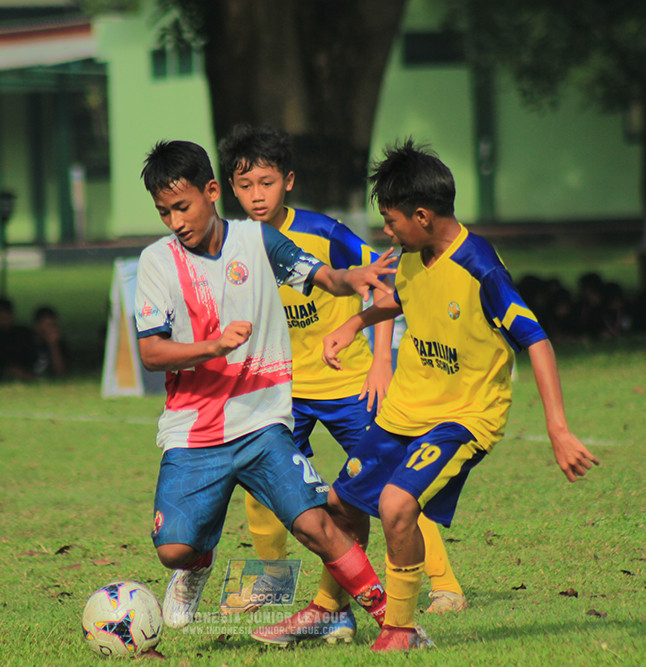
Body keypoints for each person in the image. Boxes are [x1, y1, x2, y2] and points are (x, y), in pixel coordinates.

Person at [256, 141, 599, 652]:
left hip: (465, 418)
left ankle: (402, 630)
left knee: (396, 505)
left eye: (391, 221)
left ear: (422, 215)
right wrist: (354, 323)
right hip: (405, 409)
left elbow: (538, 341)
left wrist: (558, 428)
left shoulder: (479, 267)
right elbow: (397, 298)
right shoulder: (413, 255)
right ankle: (329, 612)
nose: (386, 232)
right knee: (341, 502)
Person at [133, 139, 398, 638]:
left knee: (315, 526)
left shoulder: (258, 242)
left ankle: (395, 622)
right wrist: (212, 346)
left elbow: (325, 277)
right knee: (174, 549)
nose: (175, 222)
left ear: (211, 192)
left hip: (261, 421)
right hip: (193, 429)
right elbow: (151, 353)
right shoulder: (156, 262)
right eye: (164, 212)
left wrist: (353, 276)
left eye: (182, 207)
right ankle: (198, 563)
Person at [217, 125, 465, 631]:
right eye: (245, 186)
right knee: (260, 483)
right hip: (280, 393)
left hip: (348, 385)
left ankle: (445, 586)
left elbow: (384, 280)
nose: (256, 195)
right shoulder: (232, 245)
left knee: (393, 483)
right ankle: (273, 581)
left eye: (266, 182)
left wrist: (380, 361)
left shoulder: (323, 233)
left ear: (288, 181)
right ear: (229, 188)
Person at [32, 305, 68, 378]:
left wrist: (54, 345)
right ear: (37, 326)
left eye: (54, 325)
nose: (51, 329)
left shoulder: (59, 345)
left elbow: (60, 372)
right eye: (48, 325)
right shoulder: (27, 343)